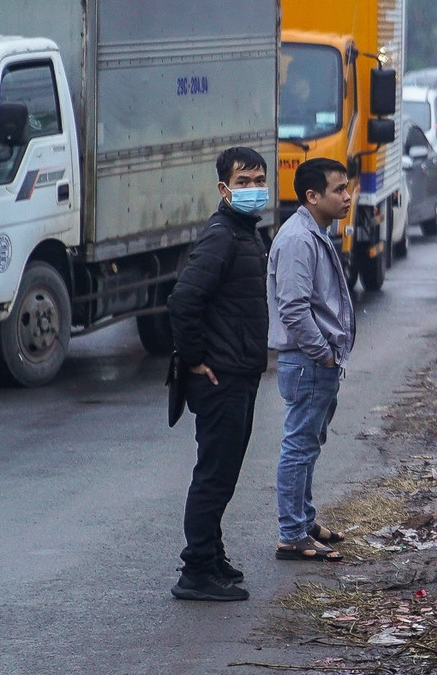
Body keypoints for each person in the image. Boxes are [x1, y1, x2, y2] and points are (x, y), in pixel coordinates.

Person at [167, 146, 271, 602]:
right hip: (219, 377)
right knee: (214, 474)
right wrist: (194, 360)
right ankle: (197, 572)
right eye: (243, 182)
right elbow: (183, 299)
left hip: (239, 372)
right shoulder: (223, 236)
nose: (253, 190)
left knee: (225, 472)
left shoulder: (245, 233)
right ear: (224, 189)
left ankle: (212, 553)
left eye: (258, 181)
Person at [268, 157, 356, 563]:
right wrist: (322, 354)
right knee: (299, 446)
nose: (348, 196)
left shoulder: (313, 232)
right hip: (307, 362)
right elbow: (293, 309)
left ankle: (303, 521)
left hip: (316, 362)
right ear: (312, 196)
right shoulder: (297, 239)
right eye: (339, 190)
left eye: (347, 188)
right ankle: (291, 534)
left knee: (309, 443)